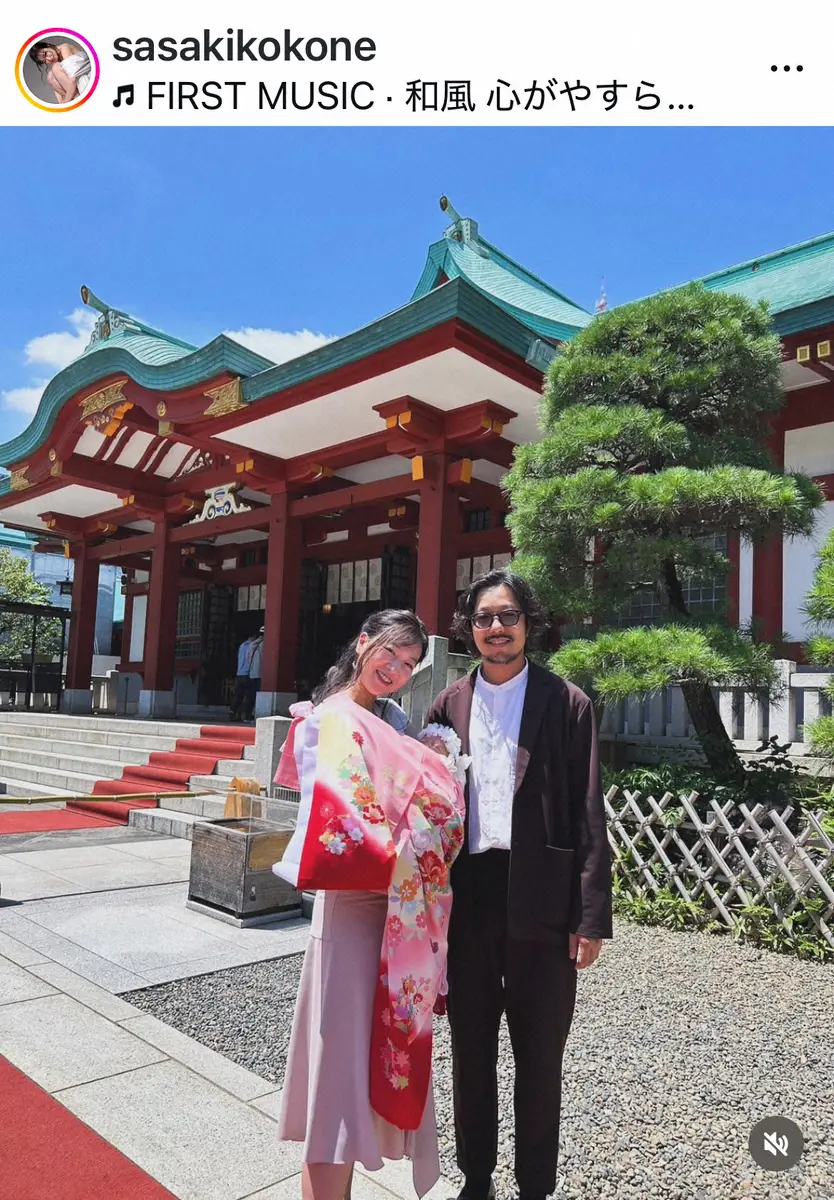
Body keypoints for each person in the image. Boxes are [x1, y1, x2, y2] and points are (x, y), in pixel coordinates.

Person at [424, 568, 613, 1200]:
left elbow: (588, 810)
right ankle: (475, 1177)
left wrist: (590, 916)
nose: (496, 628)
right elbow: (428, 807)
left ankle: (536, 1184)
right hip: (469, 895)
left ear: (529, 624)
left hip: (544, 893)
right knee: (470, 1048)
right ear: (469, 628)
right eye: (484, 618)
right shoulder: (447, 705)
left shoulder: (567, 702)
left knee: (540, 1056)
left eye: (508, 616)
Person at [272, 610, 466, 1200]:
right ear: (362, 644)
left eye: (410, 663)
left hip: (398, 912)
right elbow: (341, 823)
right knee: (337, 1081)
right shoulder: (328, 717)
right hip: (353, 910)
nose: (396, 669)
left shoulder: (396, 723)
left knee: (368, 1069)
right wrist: (419, 833)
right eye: (390, 652)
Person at [230, 632, 257, 722]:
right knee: (249, 696)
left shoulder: (242, 645)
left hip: (239, 673)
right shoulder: (253, 645)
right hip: (248, 673)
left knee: (238, 695)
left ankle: (232, 711)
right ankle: (246, 715)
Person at [246, 627, 265, 720]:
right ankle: (254, 714)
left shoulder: (252, 644)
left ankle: (247, 715)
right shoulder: (264, 644)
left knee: (251, 695)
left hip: (252, 673)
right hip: (260, 673)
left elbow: (248, 659)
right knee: (258, 695)